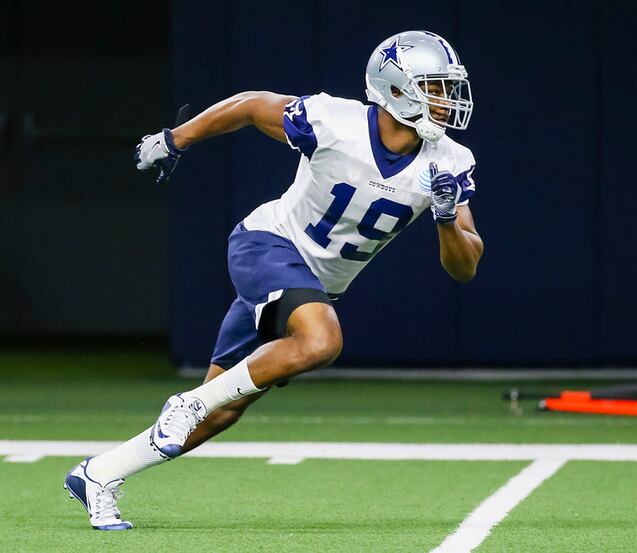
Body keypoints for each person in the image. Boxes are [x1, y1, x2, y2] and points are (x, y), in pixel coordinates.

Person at [63, 30, 483, 530]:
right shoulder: (336, 122)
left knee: (222, 410)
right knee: (322, 340)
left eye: (447, 88)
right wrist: (175, 139)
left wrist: (443, 217)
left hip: (311, 287)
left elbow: (465, 265)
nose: (446, 99)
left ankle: (99, 473)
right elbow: (250, 105)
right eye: (435, 87)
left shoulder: (450, 161)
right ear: (395, 89)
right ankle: (187, 403)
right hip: (268, 246)